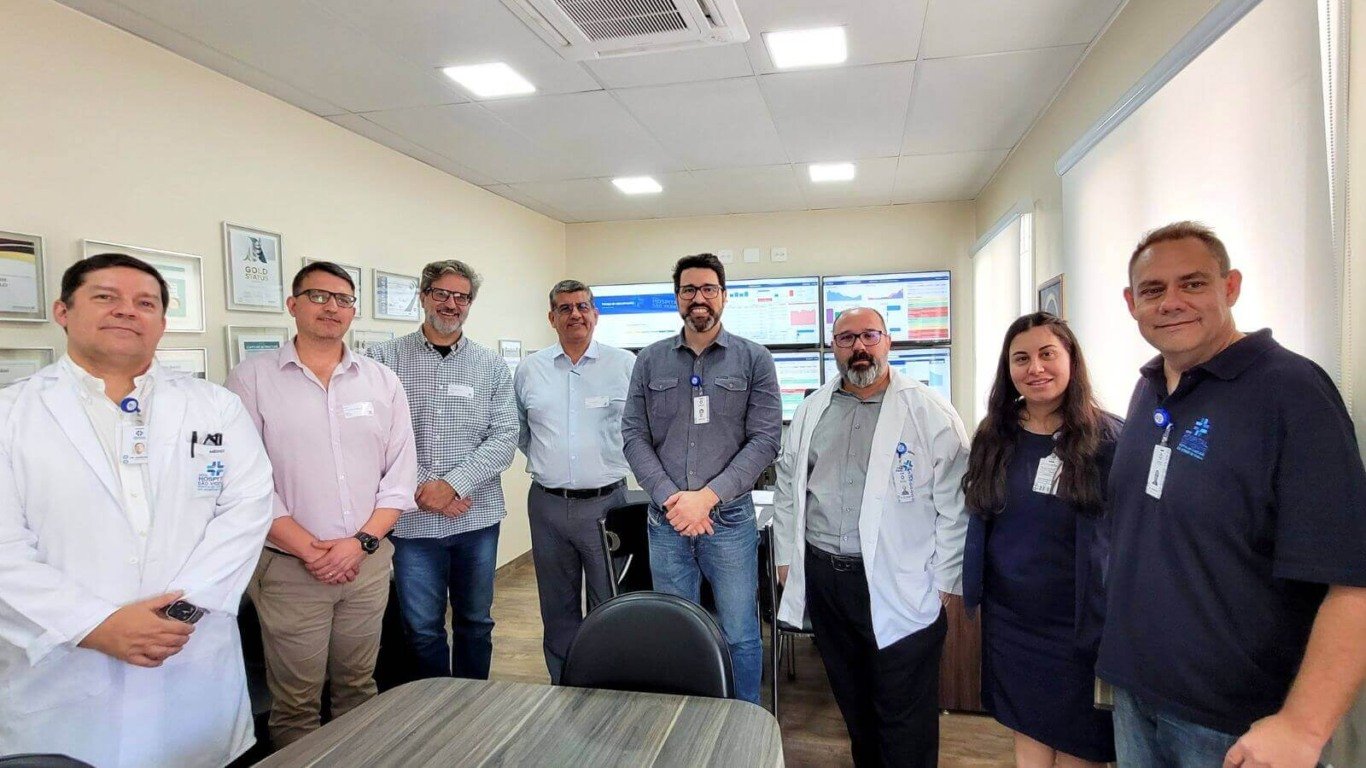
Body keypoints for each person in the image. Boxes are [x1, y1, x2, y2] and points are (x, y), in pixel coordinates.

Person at [1099, 221, 1366, 767]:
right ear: (1131, 303)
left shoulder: (1290, 392)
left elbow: (1353, 581)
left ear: (1231, 287)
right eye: (1153, 290)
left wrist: (1302, 727)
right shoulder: (1150, 386)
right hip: (1137, 696)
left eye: (1192, 284)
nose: (1171, 302)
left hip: (1233, 725)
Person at [0, 253, 274, 767]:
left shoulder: (214, 407)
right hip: (64, 676)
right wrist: (94, 624)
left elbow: (247, 511)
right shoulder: (11, 415)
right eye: (106, 297)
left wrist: (182, 611)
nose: (127, 311)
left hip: (191, 655)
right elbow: (4, 551)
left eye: (144, 302)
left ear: (162, 323)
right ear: (63, 310)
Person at [226, 262, 417, 747]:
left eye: (343, 299)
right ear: (292, 306)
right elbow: (244, 480)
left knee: (359, 688)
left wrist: (360, 543)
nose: (332, 307)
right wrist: (312, 550)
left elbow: (399, 474)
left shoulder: (381, 381)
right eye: (318, 296)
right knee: (295, 704)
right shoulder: (251, 380)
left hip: (366, 565)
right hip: (291, 571)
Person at [773, 307, 969, 767]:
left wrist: (943, 583)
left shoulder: (928, 410)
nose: (859, 347)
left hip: (898, 581)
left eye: (869, 335)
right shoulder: (812, 409)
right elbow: (788, 486)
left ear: (887, 341)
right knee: (854, 704)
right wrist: (787, 557)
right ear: (833, 347)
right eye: (846, 339)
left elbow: (956, 505)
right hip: (827, 580)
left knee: (905, 713)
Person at [960, 312, 1121, 767]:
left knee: (1078, 745)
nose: (1036, 368)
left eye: (1048, 354)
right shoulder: (995, 434)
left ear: (1071, 360)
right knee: (1028, 731)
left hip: (1078, 625)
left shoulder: (1107, 439)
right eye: (1021, 358)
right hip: (1011, 619)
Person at [621, 253, 781, 705]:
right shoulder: (649, 361)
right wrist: (675, 500)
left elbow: (765, 441)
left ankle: (743, 725)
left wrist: (706, 498)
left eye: (708, 289)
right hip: (666, 521)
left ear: (723, 297)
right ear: (677, 298)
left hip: (729, 522)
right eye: (689, 290)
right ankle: (684, 720)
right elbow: (633, 436)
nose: (699, 298)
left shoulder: (754, 359)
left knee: (740, 634)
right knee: (675, 632)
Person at [366, 259, 517, 680]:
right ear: (424, 296)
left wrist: (451, 485)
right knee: (422, 629)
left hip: (477, 518)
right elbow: (371, 439)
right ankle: (431, 710)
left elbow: (505, 437)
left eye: (461, 297)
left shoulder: (490, 365)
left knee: (476, 623)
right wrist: (421, 490)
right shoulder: (382, 359)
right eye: (442, 294)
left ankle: (471, 705)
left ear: (470, 303)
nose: (451, 304)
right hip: (412, 525)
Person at [514, 280, 635, 684]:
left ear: (596, 314)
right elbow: (521, 431)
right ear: (552, 318)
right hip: (547, 505)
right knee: (557, 604)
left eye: (583, 306)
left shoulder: (624, 365)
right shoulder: (530, 369)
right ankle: (564, 682)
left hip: (608, 505)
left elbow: (639, 428)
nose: (575, 314)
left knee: (609, 601)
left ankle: (608, 682)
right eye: (564, 308)